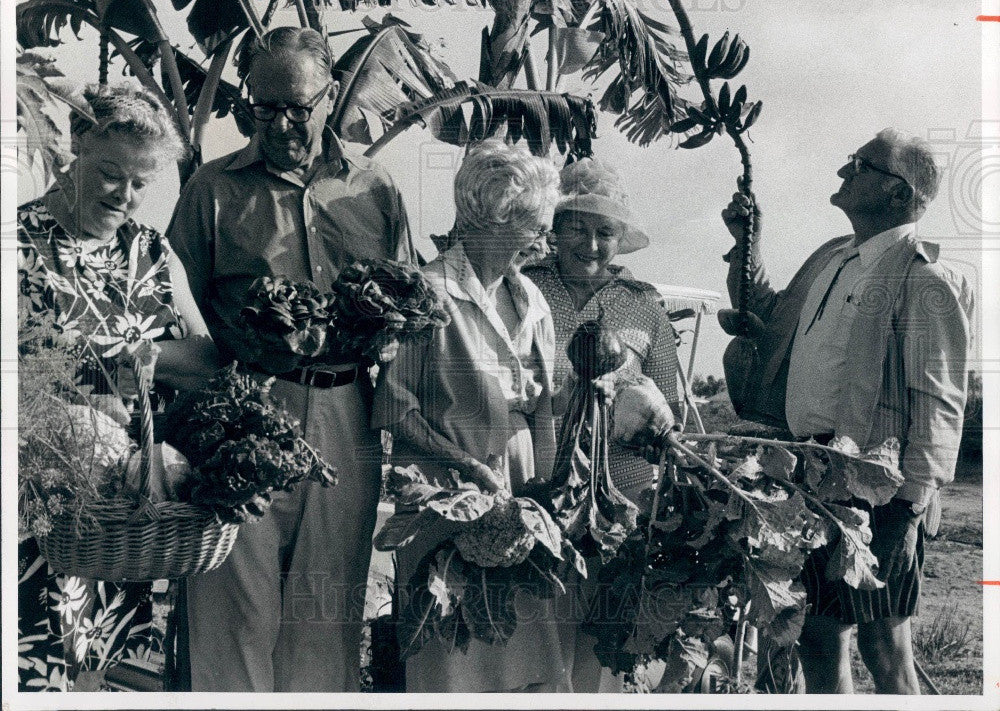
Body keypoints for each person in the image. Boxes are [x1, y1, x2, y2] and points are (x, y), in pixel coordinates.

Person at [167, 26, 417, 692]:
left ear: (331, 95)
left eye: (297, 107)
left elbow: (409, 309)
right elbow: (170, 308)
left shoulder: (376, 188)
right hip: (244, 414)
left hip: (346, 413)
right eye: (263, 105)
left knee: (324, 619)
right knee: (231, 615)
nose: (280, 122)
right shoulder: (213, 190)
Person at [720, 128, 974, 694]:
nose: (844, 172)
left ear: (899, 195)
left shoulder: (924, 277)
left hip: (878, 488)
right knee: (817, 634)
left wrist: (910, 507)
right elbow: (769, 315)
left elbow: (939, 400)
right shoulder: (833, 257)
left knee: (884, 643)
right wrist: (747, 243)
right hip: (809, 472)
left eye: (861, 164)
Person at [17, 83, 218, 691]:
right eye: (110, 174)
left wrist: (140, 357)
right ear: (76, 144)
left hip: (125, 511)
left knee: (94, 665)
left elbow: (208, 359)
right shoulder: (18, 241)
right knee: (32, 659)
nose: (124, 196)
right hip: (39, 502)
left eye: (139, 184)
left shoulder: (152, 251)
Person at [372, 140, 571, 692]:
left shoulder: (531, 297)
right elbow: (393, 408)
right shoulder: (426, 293)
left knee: (523, 647)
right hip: (444, 491)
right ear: (495, 218)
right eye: (534, 223)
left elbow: (545, 408)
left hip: (519, 485)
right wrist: (467, 466)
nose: (543, 237)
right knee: (450, 648)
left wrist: (547, 496)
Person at [523, 155, 682, 692]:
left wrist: (632, 403)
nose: (591, 245)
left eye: (604, 233)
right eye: (577, 230)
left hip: (624, 497)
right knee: (540, 632)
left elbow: (672, 407)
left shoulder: (644, 306)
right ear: (555, 232)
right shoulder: (522, 290)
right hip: (540, 487)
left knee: (603, 640)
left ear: (619, 241)